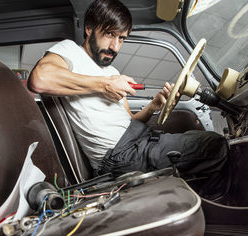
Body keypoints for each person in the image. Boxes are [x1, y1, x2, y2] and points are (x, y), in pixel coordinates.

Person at [28, 0, 228, 195]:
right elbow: (40, 79)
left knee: (201, 138)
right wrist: (104, 85)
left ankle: (192, 199)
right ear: (89, 29)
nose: (115, 46)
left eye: (121, 38)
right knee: (215, 145)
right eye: (109, 34)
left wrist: (153, 106)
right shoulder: (70, 51)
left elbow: (130, 121)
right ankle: (212, 210)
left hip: (140, 140)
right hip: (120, 157)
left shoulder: (112, 71)